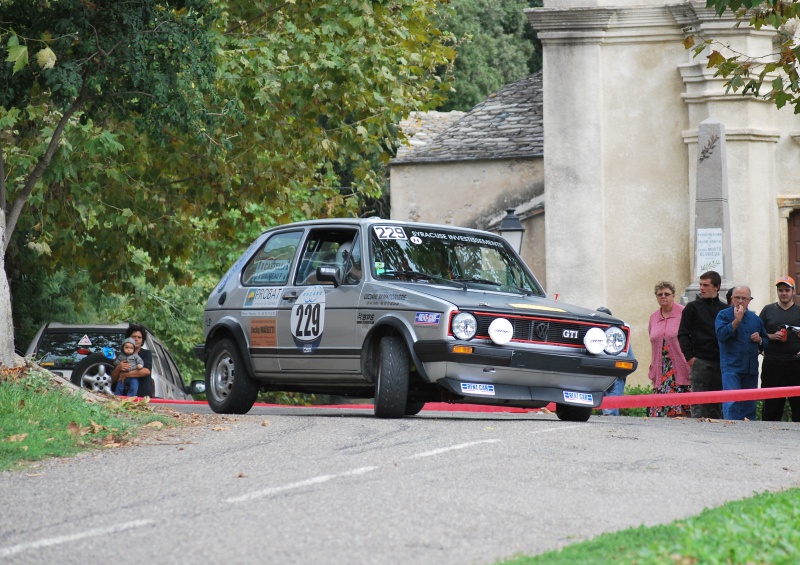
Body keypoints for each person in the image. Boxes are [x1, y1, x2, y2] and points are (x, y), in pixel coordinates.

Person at [678, 270, 727, 419]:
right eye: (700, 284)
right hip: (700, 362)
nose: (701, 288)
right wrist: (690, 357)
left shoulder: (725, 309)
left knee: (717, 405)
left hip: (719, 363)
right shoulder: (692, 308)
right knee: (698, 405)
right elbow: (683, 334)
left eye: (706, 285)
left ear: (716, 287)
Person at [715, 285, 768, 421]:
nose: (740, 301)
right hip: (731, 368)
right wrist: (736, 321)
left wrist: (760, 340)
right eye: (737, 298)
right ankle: (732, 435)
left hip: (750, 369)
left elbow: (766, 342)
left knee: (749, 405)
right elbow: (721, 335)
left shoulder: (755, 319)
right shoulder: (723, 315)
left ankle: (748, 436)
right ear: (731, 299)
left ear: (749, 300)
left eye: (743, 298)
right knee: (732, 403)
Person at [758, 275, 800, 422]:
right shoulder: (768, 310)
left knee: (798, 405)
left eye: (787, 290)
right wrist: (770, 337)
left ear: (793, 291)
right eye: (780, 290)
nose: (784, 293)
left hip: (796, 364)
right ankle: (769, 438)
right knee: (772, 406)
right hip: (773, 363)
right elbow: (758, 334)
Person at [647, 281, 692, 417]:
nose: (663, 297)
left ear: (673, 296)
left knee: (683, 413)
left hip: (681, 367)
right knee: (661, 414)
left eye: (667, 294)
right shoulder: (653, 318)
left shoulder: (684, 313)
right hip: (661, 370)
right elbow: (653, 341)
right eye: (660, 294)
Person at [111, 324, 154, 397]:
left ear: (142, 340)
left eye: (139, 337)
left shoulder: (146, 353)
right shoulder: (121, 356)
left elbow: (146, 371)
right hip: (121, 398)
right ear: (127, 339)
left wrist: (126, 374)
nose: (136, 339)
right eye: (133, 337)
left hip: (142, 397)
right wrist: (118, 368)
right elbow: (113, 378)